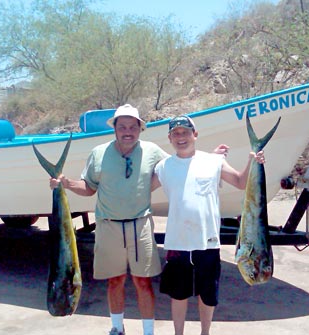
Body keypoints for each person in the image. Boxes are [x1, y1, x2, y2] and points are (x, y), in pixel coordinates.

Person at [50, 104, 169, 335]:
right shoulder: (98, 153)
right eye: (122, 126)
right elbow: (89, 188)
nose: (127, 131)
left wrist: (211, 159)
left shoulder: (153, 151)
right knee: (115, 280)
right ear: (114, 128)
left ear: (140, 129)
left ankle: (148, 332)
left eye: (132, 127)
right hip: (108, 226)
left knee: (143, 282)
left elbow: (173, 169)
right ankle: (116, 328)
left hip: (140, 226)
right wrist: (65, 183)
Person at [151, 115, 265, 335]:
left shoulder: (214, 161)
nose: (180, 137)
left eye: (185, 132)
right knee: (179, 294)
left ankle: (205, 332)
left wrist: (253, 161)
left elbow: (241, 183)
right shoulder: (164, 167)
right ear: (170, 138)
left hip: (208, 241)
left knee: (208, 294)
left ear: (195, 134)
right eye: (176, 133)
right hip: (177, 242)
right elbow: (141, 191)